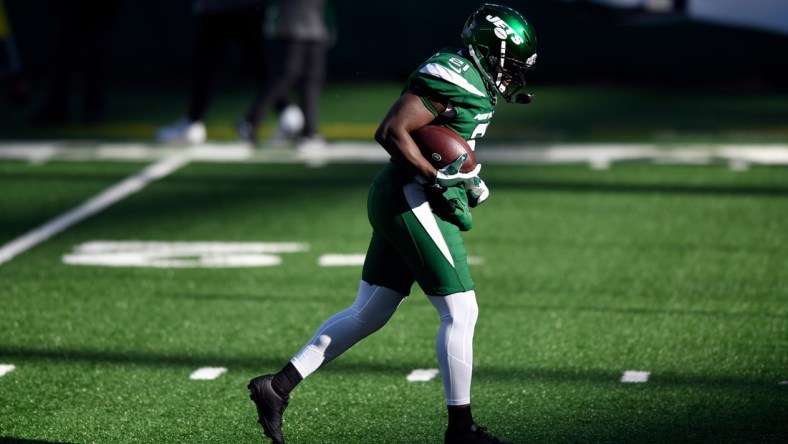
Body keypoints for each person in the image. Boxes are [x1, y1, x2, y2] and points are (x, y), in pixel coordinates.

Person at [247, 3, 537, 444]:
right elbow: (392, 131)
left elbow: (448, 142)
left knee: (371, 309)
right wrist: (437, 175)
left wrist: (468, 177)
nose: (512, 76)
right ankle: (461, 430)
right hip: (409, 198)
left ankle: (277, 387)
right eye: (508, 65)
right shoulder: (453, 75)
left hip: (401, 196)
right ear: (486, 51)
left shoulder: (473, 82)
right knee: (461, 310)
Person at [157, 0, 301, 145]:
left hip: (226, 7)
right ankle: (287, 113)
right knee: (255, 62)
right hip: (239, 6)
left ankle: (194, 122)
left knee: (210, 63)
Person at [236, 0, 335, 150]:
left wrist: (329, 25)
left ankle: (309, 132)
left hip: (315, 28)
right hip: (290, 27)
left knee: (312, 80)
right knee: (285, 75)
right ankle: (249, 122)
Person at [29, 0, 121, 125]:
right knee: (64, 54)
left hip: (99, 7)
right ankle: (56, 109)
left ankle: (93, 111)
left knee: (95, 55)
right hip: (72, 6)